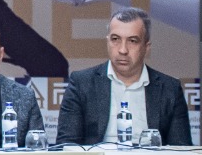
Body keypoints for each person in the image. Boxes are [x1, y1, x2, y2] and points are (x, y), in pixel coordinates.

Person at [55, 8, 192, 146]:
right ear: (107, 41)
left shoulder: (170, 89)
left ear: (146, 47)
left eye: (132, 41)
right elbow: (66, 146)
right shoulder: (81, 83)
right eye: (115, 39)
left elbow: (181, 150)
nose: (123, 50)